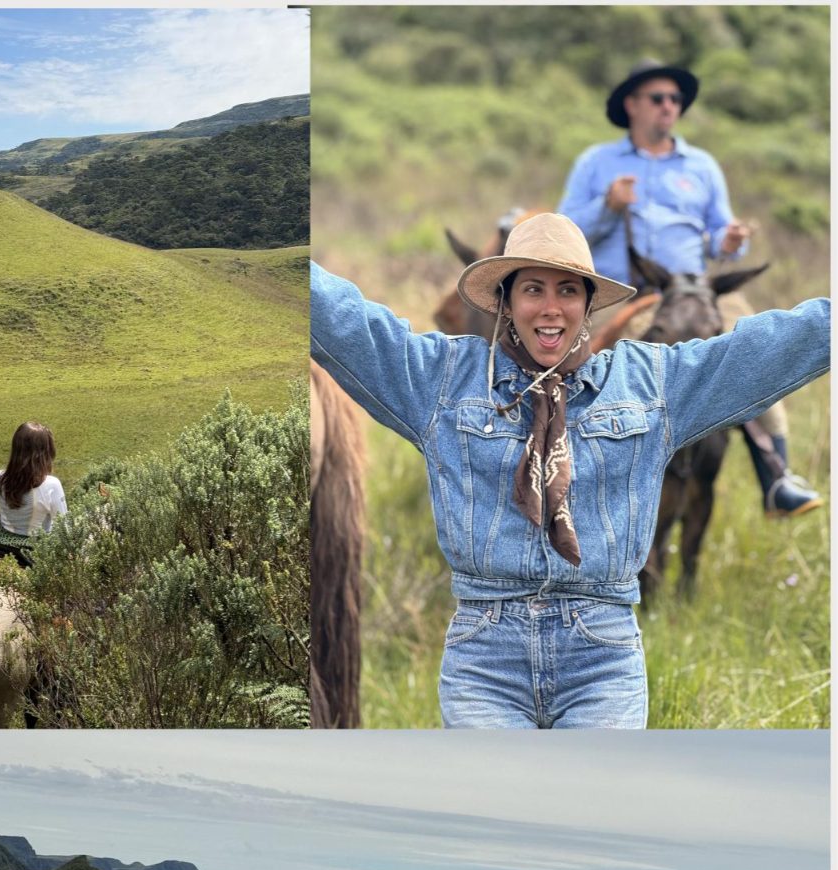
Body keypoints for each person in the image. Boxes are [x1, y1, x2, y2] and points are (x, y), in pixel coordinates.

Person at [312, 216, 830, 728]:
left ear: (588, 306)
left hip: (602, 658)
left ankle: (776, 475)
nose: (551, 308)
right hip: (484, 659)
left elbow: (766, 349)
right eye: (532, 289)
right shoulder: (443, 380)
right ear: (506, 303)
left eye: (568, 290)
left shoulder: (651, 384)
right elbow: (346, 320)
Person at [562, 60, 820, 518]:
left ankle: (777, 477)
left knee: (758, 347)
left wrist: (730, 241)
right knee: (569, 364)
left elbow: (721, 232)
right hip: (621, 292)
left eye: (675, 100)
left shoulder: (701, 165)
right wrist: (607, 206)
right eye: (658, 98)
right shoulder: (597, 162)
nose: (669, 106)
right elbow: (565, 231)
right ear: (632, 105)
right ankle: (553, 470)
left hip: (697, 289)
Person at [0, 421, 68, 561]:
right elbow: (64, 528)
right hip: (35, 549)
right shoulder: (52, 485)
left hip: (0, 542)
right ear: (46, 453)